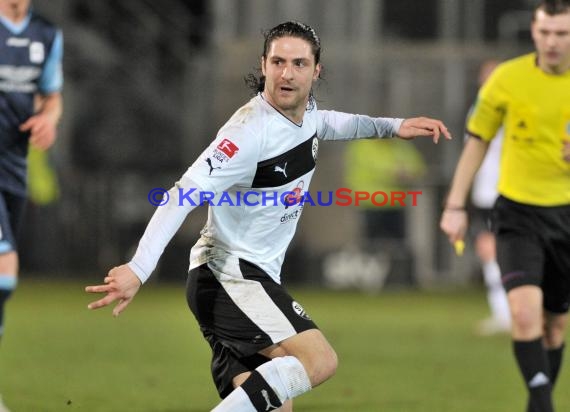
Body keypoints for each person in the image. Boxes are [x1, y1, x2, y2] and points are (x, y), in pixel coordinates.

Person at [86, 21, 450, 412]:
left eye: (298, 63)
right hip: (230, 277)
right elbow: (183, 194)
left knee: (277, 407)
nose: (286, 73)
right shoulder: (246, 133)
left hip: (244, 279)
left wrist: (394, 127)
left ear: (316, 71)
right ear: (263, 65)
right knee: (319, 360)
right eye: (277, 61)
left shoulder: (305, 114)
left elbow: (329, 123)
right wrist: (140, 267)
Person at [440, 1, 570, 411]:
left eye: (562, 33)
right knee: (525, 313)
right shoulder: (506, 80)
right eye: (545, 32)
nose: (552, 42)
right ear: (533, 32)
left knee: (555, 325)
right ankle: (542, 402)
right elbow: (476, 141)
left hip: (566, 215)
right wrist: (455, 204)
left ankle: (539, 400)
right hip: (517, 212)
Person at [0, 1, 63, 411]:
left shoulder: (46, 34)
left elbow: (52, 97)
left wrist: (49, 119)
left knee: (4, 280)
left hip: (14, 168)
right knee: (4, 269)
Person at [467, 60, 511, 336]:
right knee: (489, 249)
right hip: (487, 191)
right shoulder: (478, 109)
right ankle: (504, 312)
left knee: (495, 250)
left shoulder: (510, 107)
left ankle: (507, 313)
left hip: (505, 190)